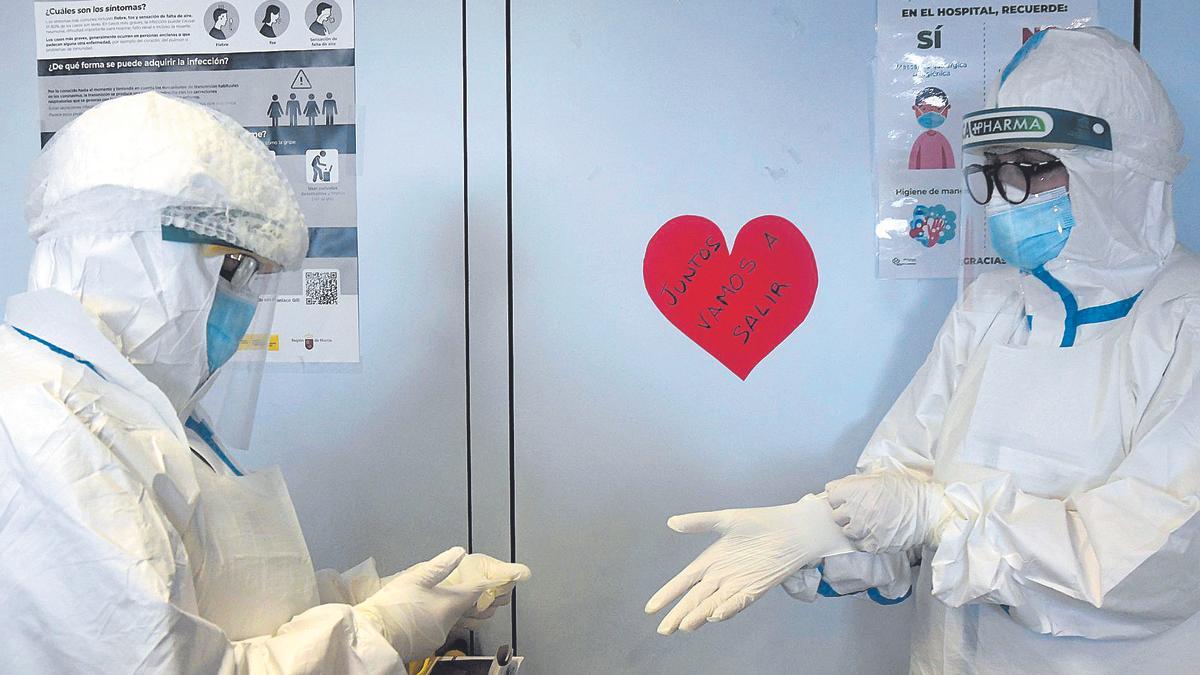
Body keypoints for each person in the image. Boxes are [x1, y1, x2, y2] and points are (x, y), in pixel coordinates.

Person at [648, 27, 1200, 673]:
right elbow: (903, 476)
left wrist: (934, 515)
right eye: (994, 170)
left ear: (1118, 172)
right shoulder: (992, 307)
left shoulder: (1182, 323)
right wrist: (818, 532)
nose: (1003, 195)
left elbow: (1151, 556)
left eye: (1029, 167)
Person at [0, 91, 531, 673]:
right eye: (231, 268)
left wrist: (380, 597)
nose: (242, 306)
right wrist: (384, 628)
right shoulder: (43, 427)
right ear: (119, 246)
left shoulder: (142, 412)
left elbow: (234, 596)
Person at [908, 86, 955, 170]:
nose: (930, 113)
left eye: (938, 108)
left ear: (947, 108)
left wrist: (950, 173)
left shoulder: (941, 139)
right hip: (920, 179)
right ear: (915, 109)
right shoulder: (921, 139)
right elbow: (914, 160)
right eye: (924, 109)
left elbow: (949, 159)